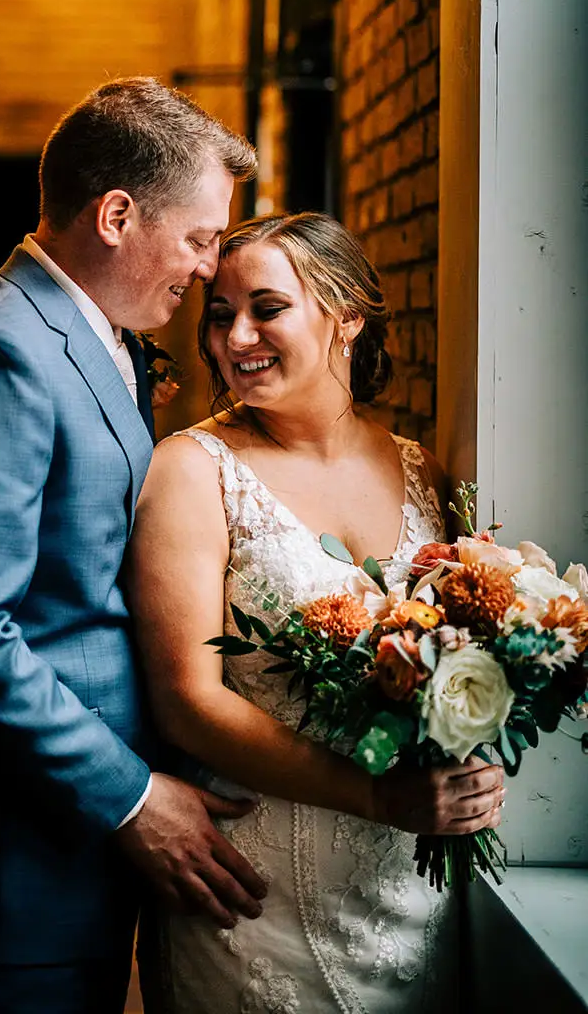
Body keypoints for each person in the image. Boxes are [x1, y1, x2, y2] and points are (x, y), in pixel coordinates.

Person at [0, 77, 264, 1014]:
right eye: (199, 238)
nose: (206, 269)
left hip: (56, 862)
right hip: (3, 869)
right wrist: (129, 796)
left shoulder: (89, 338)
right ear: (116, 214)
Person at [127, 212, 504, 1014]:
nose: (235, 338)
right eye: (220, 315)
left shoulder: (423, 470)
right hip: (253, 896)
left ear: (346, 314)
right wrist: (377, 798)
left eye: (266, 308)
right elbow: (187, 701)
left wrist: (476, 760)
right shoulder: (191, 473)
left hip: (406, 892)